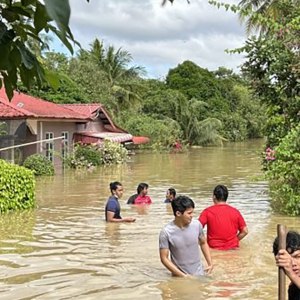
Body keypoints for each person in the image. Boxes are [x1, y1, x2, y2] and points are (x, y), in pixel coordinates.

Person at [159, 195, 213, 277]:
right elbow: (164, 258)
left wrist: (210, 263)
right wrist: (183, 276)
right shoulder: (166, 232)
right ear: (178, 213)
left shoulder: (197, 225)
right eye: (189, 213)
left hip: (200, 273)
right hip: (179, 277)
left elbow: (203, 243)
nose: (192, 216)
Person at [199, 185, 248, 250]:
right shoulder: (235, 212)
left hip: (214, 249)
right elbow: (245, 231)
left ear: (214, 196)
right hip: (233, 249)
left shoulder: (207, 212)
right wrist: (234, 241)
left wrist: (203, 242)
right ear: (226, 197)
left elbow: (197, 229)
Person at [274, 231, 300, 300]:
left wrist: (291, 273)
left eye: (297, 257)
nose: (293, 263)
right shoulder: (293, 287)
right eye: (287, 260)